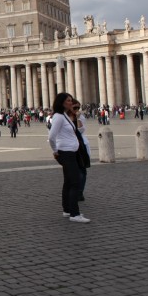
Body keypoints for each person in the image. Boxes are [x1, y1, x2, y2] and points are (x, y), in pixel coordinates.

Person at [47, 92, 90, 223]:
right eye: (68, 101)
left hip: (70, 152)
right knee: (75, 183)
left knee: (68, 182)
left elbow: (77, 131)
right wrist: (55, 151)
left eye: (71, 101)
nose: (71, 103)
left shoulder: (64, 116)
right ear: (61, 103)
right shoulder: (59, 117)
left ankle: (67, 210)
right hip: (65, 153)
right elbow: (51, 137)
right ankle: (74, 214)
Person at [70, 100, 91, 202]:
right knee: (74, 171)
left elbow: (81, 129)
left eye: (78, 108)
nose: (77, 110)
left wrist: (78, 118)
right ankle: (73, 192)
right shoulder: (65, 118)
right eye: (75, 108)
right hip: (70, 147)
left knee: (83, 171)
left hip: (81, 145)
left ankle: (80, 192)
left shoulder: (80, 117)